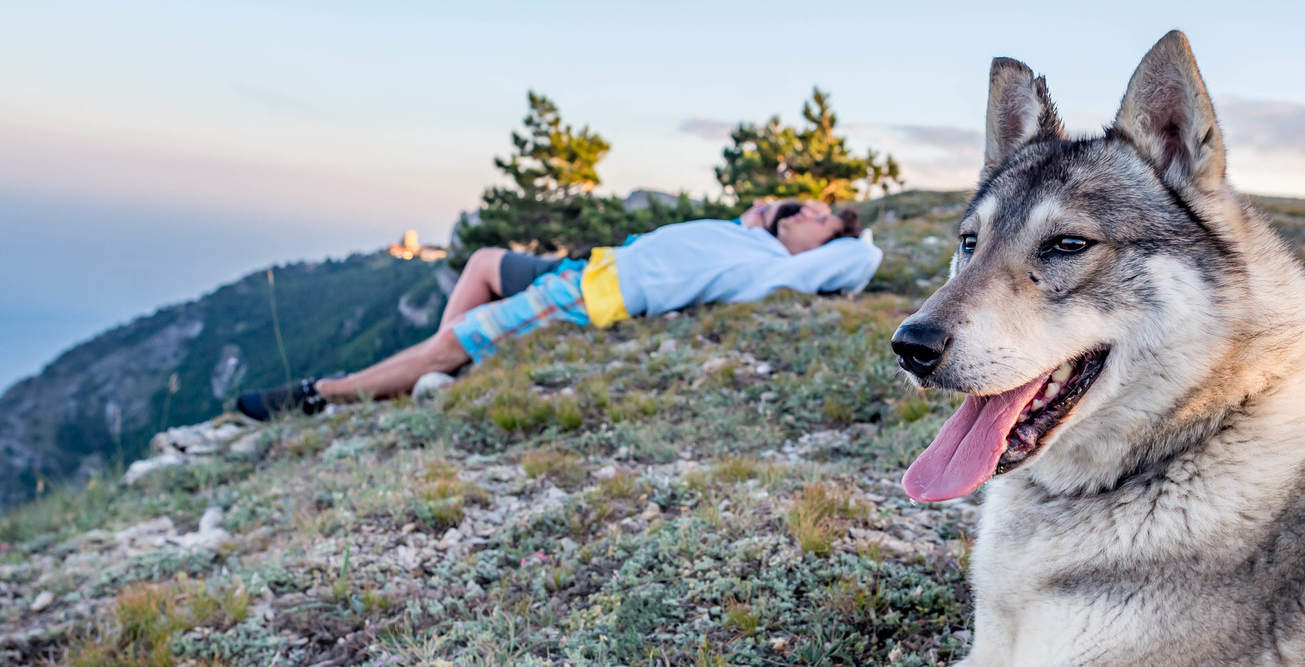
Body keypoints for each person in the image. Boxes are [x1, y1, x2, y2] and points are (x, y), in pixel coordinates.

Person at [235, 199, 881, 419]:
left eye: (822, 220)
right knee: (483, 264)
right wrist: (768, 216)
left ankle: (322, 393)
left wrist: (843, 240)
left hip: (586, 296)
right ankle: (443, 365)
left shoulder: (772, 268)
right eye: (809, 208)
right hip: (588, 266)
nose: (809, 213)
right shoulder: (752, 236)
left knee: (453, 337)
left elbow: (861, 260)